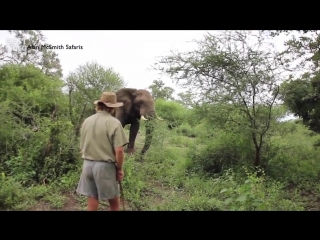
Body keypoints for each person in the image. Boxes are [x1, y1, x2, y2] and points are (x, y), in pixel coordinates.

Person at [76, 92, 129, 211]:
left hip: (87, 165)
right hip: (104, 167)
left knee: (92, 199)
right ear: (113, 107)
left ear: (99, 105)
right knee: (114, 202)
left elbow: (82, 145)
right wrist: (119, 169)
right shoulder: (114, 122)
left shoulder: (87, 121)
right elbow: (119, 150)